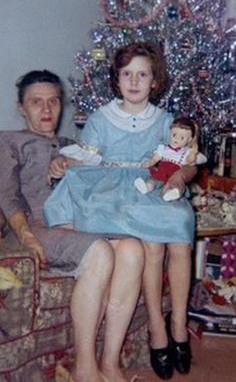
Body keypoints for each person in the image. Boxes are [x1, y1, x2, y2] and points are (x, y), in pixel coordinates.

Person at [46, 42, 197, 380]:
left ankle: (178, 324)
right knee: (146, 238)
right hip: (113, 186)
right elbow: (89, 154)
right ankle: (158, 327)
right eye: (127, 74)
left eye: (142, 75)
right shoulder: (102, 117)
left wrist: (180, 177)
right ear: (117, 79)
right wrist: (65, 161)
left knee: (181, 220)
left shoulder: (164, 120)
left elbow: (185, 162)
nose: (134, 81)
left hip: (153, 185)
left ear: (154, 81)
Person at [0, 70, 145, 382]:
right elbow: (7, 194)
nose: (47, 109)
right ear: (21, 108)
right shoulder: (9, 141)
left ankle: (109, 363)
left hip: (78, 225)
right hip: (34, 227)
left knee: (133, 249)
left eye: (53, 101)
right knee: (100, 251)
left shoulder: (74, 145)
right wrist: (26, 234)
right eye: (36, 102)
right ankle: (85, 368)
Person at [134, 116, 206, 201]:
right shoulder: (163, 148)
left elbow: (190, 161)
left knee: (176, 186)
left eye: (182, 138)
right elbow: (155, 158)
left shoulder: (185, 152)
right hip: (161, 173)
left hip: (174, 176)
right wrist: (149, 163)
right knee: (153, 180)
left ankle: (173, 193)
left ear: (189, 140)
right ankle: (146, 187)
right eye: (174, 135)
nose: (176, 139)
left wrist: (193, 153)